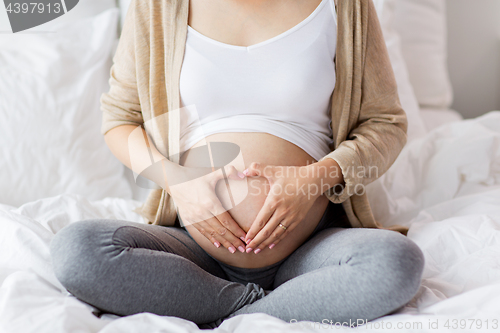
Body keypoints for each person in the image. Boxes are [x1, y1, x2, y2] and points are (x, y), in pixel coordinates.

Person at [49, 0, 425, 328]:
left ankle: (222, 312)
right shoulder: (159, 5)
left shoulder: (344, 5)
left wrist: (312, 180)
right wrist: (179, 184)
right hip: (193, 253)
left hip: (310, 248)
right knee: (77, 251)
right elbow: (120, 119)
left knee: (395, 263)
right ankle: (250, 308)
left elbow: (385, 123)